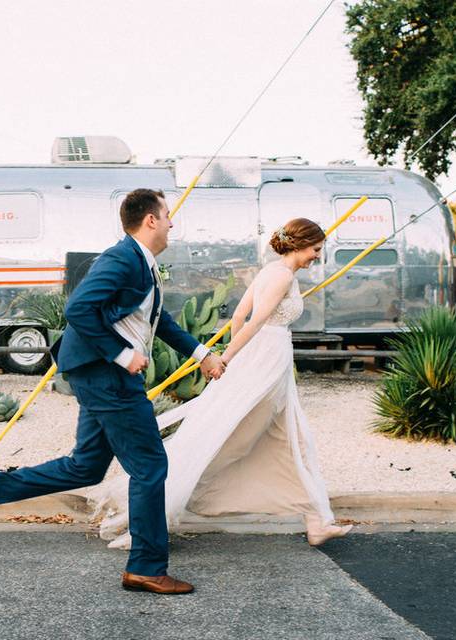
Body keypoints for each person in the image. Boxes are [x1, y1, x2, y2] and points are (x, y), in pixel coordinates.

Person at [0, 188, 226, 595]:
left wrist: (201, 354)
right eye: (168, 215)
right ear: (150, 220)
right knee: (149, 465)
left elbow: (161, 320)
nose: (173, 223)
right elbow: (78, 309)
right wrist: (122, 355)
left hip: (98, 374)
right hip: (108, 376)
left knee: (86, 466)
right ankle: (146, 568)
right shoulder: (122, 258)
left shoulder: (141, 261)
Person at [92, 217, 352, 549]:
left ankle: (317, 519)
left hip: (268, 358)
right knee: (228, 436)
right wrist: (228, 359)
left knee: (293, 435)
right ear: (301, 245)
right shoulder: (282, 275)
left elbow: (239, 316)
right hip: (268, 359)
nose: (318, 255)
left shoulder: (271, 271)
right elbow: (254, 322)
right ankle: (159, 505)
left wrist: (239, 356)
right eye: (316, 249)